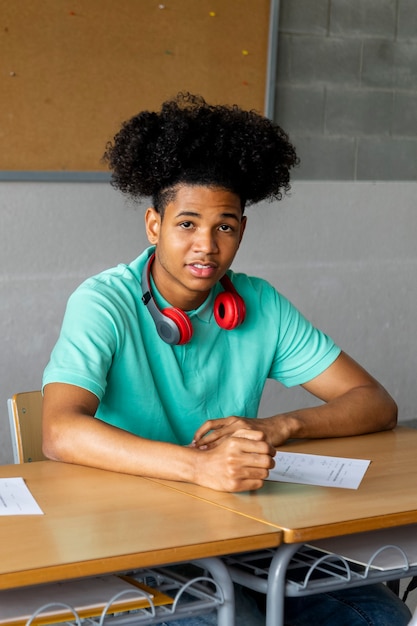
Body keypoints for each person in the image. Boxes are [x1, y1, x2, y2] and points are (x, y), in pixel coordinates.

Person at [42, 92, 411, 625]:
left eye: (225, 226)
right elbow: (58, 431)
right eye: (187, 223)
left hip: (237, 524)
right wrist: (200, 467)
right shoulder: (102, 302)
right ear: (154, 225)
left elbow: (375, 403)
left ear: (242, 229)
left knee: (379, 617)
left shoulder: (258, 302)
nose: (207, 246)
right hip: (133, 534)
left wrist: (281, 425)